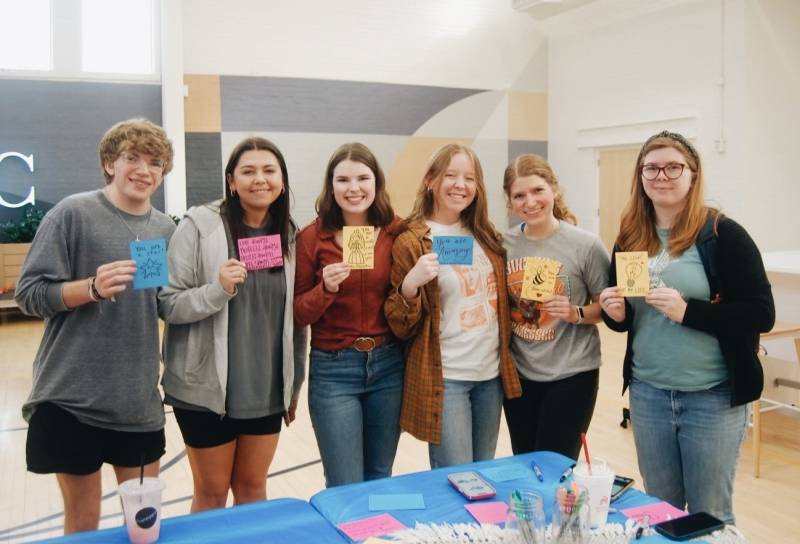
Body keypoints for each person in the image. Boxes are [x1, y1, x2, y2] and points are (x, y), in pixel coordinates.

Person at [598, 131, 774, 524]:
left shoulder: (721, 234)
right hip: (649, 395)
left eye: (673, 167)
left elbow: (761, 313)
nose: (661, 175)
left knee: (710, 515)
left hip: (711, 397)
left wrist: (689, 312)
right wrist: (615, 313)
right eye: (651, 168)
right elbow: (624, 317)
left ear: (693, 174)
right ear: (640, 176)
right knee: (659, 510)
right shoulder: (630, 236)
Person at [15, 118, 175, 534]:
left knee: (143, 527)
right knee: (83, 522)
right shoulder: (73, 213)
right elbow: (29, 294)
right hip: (71, 399)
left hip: (136, 403)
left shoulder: (163, 228)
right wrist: (91, 288)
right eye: (132, 158)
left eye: (154, 162)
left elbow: (161, 303)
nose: (144, 170)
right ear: (109, 163)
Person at [159, 137, 307, 512]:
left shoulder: (288, 232)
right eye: (248, 171)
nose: (260, 179)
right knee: (211, 494)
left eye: (269, 170)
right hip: (205, 389)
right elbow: (167, 302)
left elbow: (295, 320)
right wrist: (217, 290)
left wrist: (294, 382)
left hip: (266, 387)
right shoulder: (199, 225)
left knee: (253, 490)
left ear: (283, 181)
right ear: (231, 181)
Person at [384, 143, 521, 469]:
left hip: (490, 377)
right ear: (430, 180)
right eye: (451, 175)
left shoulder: (486, 237)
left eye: (470, 178)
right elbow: (399, 323)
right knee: (456, 478)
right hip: (447, 379)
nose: (461, 185)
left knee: (482, 474)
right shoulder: (411, 240)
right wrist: (411, 284)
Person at [294, 142, 404, 487]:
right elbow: (299, 313)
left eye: (362, 178)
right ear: (331, 185)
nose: (353, 188)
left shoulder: (396, 231)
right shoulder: (312, 237)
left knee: (380, 476)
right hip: (334, 369)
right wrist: (324, 288)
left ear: (377, 182)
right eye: (343, 180)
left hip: (389, 366)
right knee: (343, 482)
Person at [501, 154, 610, 459]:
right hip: (519, 376)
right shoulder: (501, 245)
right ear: (510, 202)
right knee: (525, 462)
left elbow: (607, 307)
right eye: (519, 195)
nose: (530, 202)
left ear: (554, 191)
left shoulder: (585, 245)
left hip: (572, 374)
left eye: (538, 191)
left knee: (555, 467)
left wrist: (575, 313)